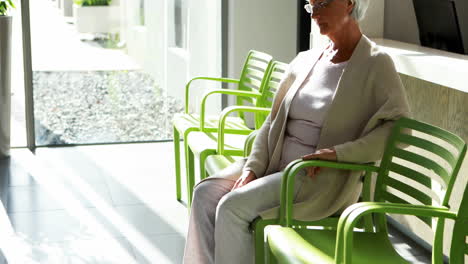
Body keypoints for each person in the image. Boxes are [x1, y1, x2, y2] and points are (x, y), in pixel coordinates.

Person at [183, 0, 411, 263]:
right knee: (204, 195)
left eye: (323, 3)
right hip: (275, 163)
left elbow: (399, 131)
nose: (314, 13)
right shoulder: (307, 59)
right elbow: (272, 121)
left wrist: (339, 154)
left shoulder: (375, 63)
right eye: (310, 6)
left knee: (232, 207)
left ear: (349, 3)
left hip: (317, 180)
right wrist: (252, 169)